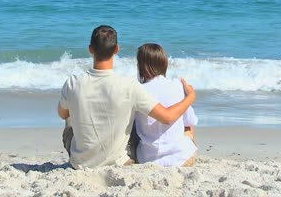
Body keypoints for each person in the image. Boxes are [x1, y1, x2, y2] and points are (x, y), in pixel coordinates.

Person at [57, 25, 196, 169]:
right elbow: (167, 117)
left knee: (69, 118)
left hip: (80, 163)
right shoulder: (129, 86)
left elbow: (63, 114)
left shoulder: (72, 83)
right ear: (117, 49)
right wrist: (190, 97)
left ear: (91, 49)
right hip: (118, 162)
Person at [135, 43, 198, 167]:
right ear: (165, 64)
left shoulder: (137, 90)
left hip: (147, 159)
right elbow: (189, 121)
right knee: (188, 126)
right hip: (181, 158)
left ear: (140, 66)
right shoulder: (178, 85)